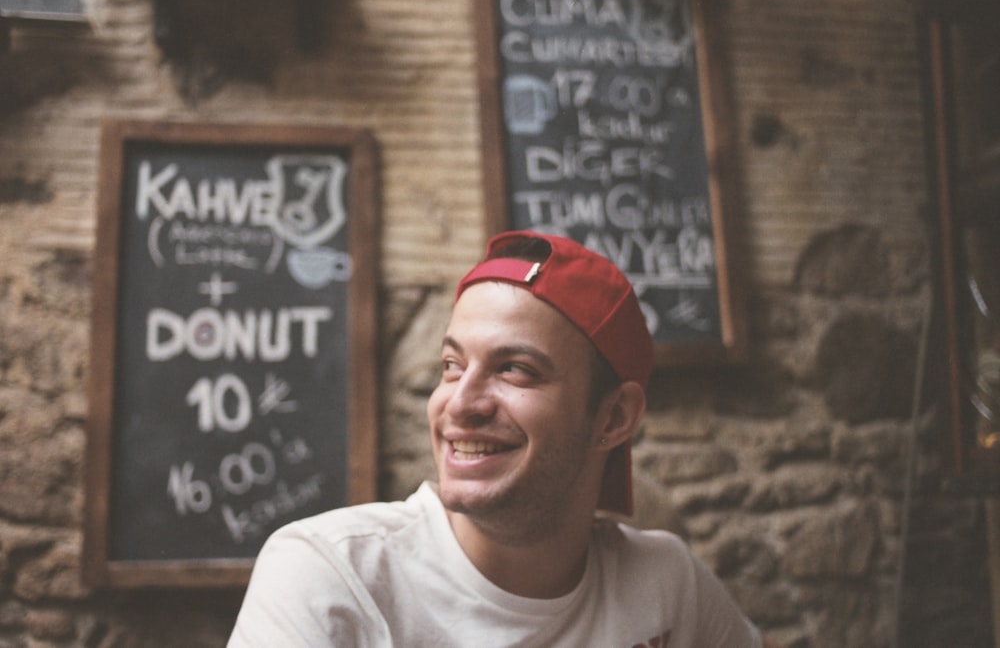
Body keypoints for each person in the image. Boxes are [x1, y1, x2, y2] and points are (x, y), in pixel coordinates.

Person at [229, 230, 767, 647]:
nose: (460, 403)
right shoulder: (332, 576)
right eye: (451, 365)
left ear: (614, 419)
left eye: (514, 369)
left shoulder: (668, 586)